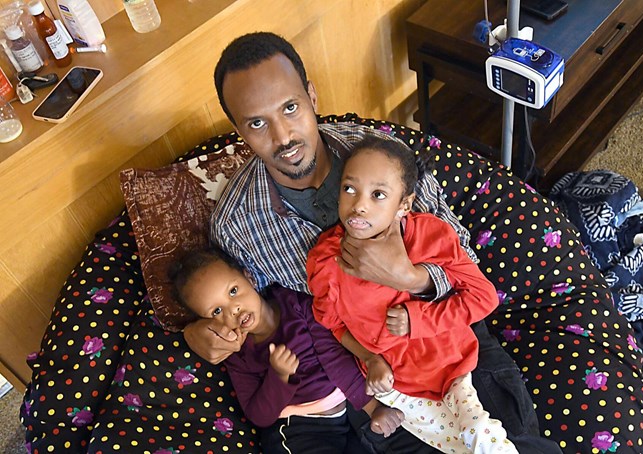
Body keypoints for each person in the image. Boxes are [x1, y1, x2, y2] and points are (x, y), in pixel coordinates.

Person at [183, 31, 561, 453]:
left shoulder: (381, 156)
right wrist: (199, 332)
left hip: (452, 346)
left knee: (512, 444)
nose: (283, 136)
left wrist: (413, 278)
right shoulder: (237, 225)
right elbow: (246, 306)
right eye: (257, 123)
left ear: (311, 96)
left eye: (290, 108)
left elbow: (465, 262)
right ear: (239, 130)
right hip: (374, 376)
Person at [307, 136, 517, 453]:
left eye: (378, 195)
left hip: (452, 365)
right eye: (349, 189)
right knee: (458, 448)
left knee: (479, 432)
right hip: (396, 387)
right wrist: (370, 358)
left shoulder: (430, 237)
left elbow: (483, 297)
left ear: (404, 205)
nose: (359, 205)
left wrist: (418, 317)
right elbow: (333, 324)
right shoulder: (325, 260)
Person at [171, 248, 406, 453]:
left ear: (249, 278)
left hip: (344, 415)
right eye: (216, 312)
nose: (233, 309)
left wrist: (373, 407)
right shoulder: (239, 356)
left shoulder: (296, 303)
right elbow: (259, 416)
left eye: (233, 291)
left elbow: (334, 356)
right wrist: (279, 376)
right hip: (297, 431)